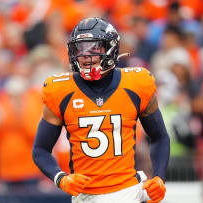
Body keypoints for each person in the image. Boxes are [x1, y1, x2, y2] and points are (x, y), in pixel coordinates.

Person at [32, 17, 170, 203]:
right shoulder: (60, 91)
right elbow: (40, 150)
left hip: (128, 191)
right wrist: (60, 178)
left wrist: (159, 177)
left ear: (111, 48)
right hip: (85, 196)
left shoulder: (137, 84)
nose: (86, 56)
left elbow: (159, 136)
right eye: (80, 49)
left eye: (94, 49)